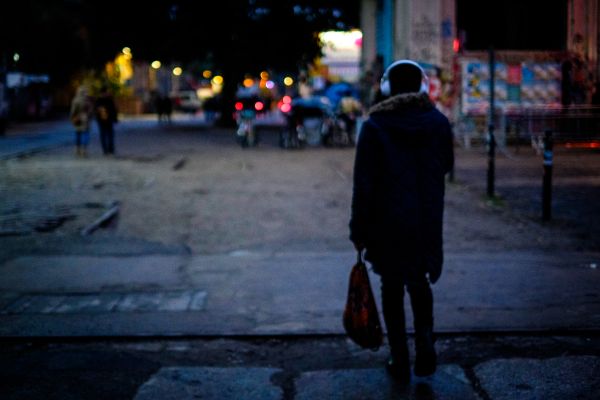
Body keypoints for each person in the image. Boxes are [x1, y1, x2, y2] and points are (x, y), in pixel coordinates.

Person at [349, 60, 454, 383]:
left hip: (386, 222)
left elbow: (363, 184)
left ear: (386, 87)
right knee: (419, 281)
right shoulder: (438, 122)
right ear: (422, 86)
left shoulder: (375, 126)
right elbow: (447, 166)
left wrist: (358, 229)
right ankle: (425, 345)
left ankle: (399, 357)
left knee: (391, 286)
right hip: (425, 219)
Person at [69, 85, 93, 157]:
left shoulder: (75, 100)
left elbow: (73, 111)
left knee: (78, 134)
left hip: (77, 118)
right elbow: (91, 110)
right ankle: (84, 149)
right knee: (85, 134)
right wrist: (88, 116)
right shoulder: (88, 100)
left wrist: (72, 117)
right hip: (85, 119)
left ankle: (77, 149)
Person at [95, 86, 118, 155]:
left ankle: (110, 149)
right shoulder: (99, 100)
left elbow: (114, 109)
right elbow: (96, 110)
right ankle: (106, 149)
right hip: (102, 120)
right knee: (104, 135)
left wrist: (115, 118)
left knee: (109, 135)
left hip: (108, 120)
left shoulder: (108, 99)